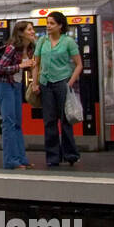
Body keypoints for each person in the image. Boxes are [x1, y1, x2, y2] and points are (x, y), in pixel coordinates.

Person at [30, 11, 82, 168]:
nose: (48, 26)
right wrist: (35, 83)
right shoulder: (42, 42)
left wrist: (70, 83)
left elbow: (79, 64)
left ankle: (70, 154)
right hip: (46, 84)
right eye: (47, 23)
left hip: (62, 83)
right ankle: (53, 157)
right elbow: (36, 63)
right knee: (49, 121)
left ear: (60, 25)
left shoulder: (68, 42)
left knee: (65, 119)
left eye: (52, 23)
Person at [0, 21, 37, 170]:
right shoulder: (12, 48)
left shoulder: (30, 49)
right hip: (5, 85)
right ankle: (10, 161)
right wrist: (21, 66)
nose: (32, 32)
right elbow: (0, 68)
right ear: (21, 32)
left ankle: (21, 159)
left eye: (32, 29)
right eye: (29, 30)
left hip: (16, 86)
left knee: (17, 123)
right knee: (9, 124)